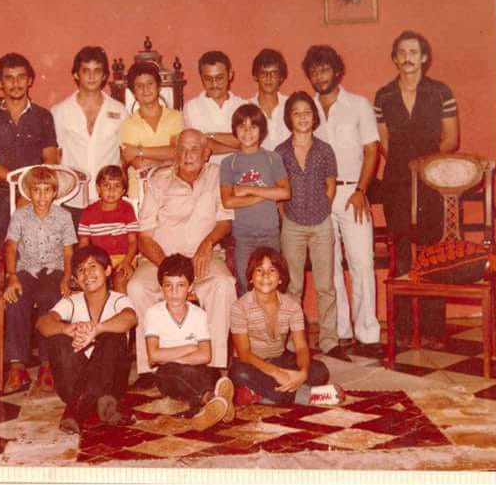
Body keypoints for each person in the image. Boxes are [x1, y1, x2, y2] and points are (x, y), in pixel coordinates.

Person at [127, 128, 237, 383]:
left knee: (223, 285)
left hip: (204, 258)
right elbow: (145, 236)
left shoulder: (217, 176)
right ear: (175, 154)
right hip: (161, 261)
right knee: (136, 287)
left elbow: (225, 222)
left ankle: (213, 365)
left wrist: (207, 244)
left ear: (206, 153)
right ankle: (149, 368)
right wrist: (168, 267)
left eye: (194, 149)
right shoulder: (159, 181)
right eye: (182, 149)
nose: (188, 155)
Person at [374, 30, 459, 348]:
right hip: (396, 183)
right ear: (394, 59)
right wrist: (404, 166)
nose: (407, 57)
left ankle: (433, 330)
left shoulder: (441, 92)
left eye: (413, 52)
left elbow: (451, 139)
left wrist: (425, 165)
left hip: (432, 183)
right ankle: (403, 330)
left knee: (432, 254)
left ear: (424, 57)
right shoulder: (384, 96)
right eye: (401, 52)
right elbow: (383, 142)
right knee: (401, 253)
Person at [0, 52, 58, 361]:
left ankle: (38, 335)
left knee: (40, 263)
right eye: (8, 78)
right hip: (1, 197)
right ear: (0, 82)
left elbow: (50, 159)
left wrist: (32, 190)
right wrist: (19, 184)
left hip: (39, 198)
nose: (15, 83)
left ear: (30, 80)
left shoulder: (43, 117)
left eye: (21, 77)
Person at [303, 45, 383, 357]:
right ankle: (339, 333)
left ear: (337, 71)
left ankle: (368, 335)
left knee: (362, 263)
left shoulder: (359, 105)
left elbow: (372, 150)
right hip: (320, 196)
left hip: (353, 194)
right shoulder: (306, 108)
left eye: (324, 69)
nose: (319, 76)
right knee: (329, 267)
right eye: (314, 71)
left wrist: (362, 191)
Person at [275, 92, 350, 362]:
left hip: (321, 224)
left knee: (326, 285)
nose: (302, 117)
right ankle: (293, 343)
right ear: (289, 118)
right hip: (292, 225)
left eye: (307, 112)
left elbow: (330, 185)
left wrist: (323, 208)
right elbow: (279, 191)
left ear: (314, 117)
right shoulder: (280, 152)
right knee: (293, 287)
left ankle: (329, 341)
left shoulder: (324, 150)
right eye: (296, 113)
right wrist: (286, 217)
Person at [36, 245, 137, 434]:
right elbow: (42, 323)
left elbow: (130, 318)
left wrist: (96, 329)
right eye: (81, 270)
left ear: (107, 270)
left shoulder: (118, 299)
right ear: (75, 278)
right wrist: (68, 329)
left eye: (92, 266)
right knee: (57, 338)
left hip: (110, 385)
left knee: (113, 335)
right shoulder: (71, 302)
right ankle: (96, 404)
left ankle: (77, 409)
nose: (87, 274)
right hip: (74, 385)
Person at [230, 247, 345, 406]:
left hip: (280, 359)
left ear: (280, 279)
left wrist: (302, 373)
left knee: (319, 371)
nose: (265, 275)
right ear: (250, 278)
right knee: (239, 373)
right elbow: (244, 353)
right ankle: (306, 396)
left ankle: (260, 395)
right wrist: (276, 373)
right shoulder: (239, 307)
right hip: (253, 364)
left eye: (272, 270)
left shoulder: (292, 306)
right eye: (259, 270)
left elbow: (301, 347)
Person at [1, 166, 77, 394]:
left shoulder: (64, 217)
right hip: (27, 269)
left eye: (47, 190)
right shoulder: (20, 216)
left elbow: (68, 253)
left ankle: (47, 364)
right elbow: (10, 247)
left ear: (54, 192)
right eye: (36, 190)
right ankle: (17, 367)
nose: (42, 196)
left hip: (54, 270)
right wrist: (12, 277)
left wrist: (66, 278)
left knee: (50, 297)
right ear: (29, 192)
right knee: (15, 298)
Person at [144, 254, 235, 431]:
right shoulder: (154, 313)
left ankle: (205, 409)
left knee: (209, 372)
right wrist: (190, 348)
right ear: (161, 288)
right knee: (173, 372)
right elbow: (153, 355)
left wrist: (170, 357)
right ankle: (212, 398)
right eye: (168, 286)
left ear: (191, 287)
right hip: (167, 374)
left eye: (180, 285)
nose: (174, 292)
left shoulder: (198, 314)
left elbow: (206, 355)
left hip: (194, 369)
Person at [51, 46, 128, 226]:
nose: (92, 76)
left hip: (108, 198)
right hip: (72, 198)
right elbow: (56, 156)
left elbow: (124, 155)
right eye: (86, 71)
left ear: (104, 75)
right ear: (76, 75)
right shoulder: (60, 111)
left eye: (97, 71)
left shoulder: (119, 111)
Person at [220, 103, 290, 297]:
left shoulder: (272, 158)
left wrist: (248, 189)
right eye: (242, 126)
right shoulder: (229, 163)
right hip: (243, 237)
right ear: (234, 130)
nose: (247, 132)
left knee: (272, 288)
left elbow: (285, 192)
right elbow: (228, 201)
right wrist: (266, 194)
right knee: (246, 286)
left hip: (270, 234)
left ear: (262, 130)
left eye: (253, 126)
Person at [119, 60, 183, 201]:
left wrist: (139, 151)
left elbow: (177, 152)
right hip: (140, 193)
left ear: (159, 87)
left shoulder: (176, 117)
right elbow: (139, 165)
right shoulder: (128, 124)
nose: (145, 89)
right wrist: (167, 162)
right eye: (139, 85)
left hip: (173, 191)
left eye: (150, 83)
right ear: (133, 92)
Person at [78, 165, 139, 294]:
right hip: (99, 260)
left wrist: (127, 262)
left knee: (120, 279)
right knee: (94, 280)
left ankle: (121, 306)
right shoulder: (88, 212)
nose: (111, 190)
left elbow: (133, 242)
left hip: (123, 258)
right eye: (106, 185)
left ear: (123, 191)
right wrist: (85, 264)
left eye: (117, 186)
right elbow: (83, 244)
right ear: (98, 188)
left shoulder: (127, 209)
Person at [182, 50, 246, 165]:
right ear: (201, 77)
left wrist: (211, 136)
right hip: (205, 174)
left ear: (230, 74)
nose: (214, 84)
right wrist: (235, 147)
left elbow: (247, 140)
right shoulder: (190, 108)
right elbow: (194, 146)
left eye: (219, 78)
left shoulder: (244, 106)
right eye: (208, 79)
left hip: (240, 172)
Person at [248, 48, 291, 150]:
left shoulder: (291, 105)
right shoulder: (247, 108)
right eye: (263, 73)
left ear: (281, 77)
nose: (268, 78)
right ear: (256, 76)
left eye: (274, 73)